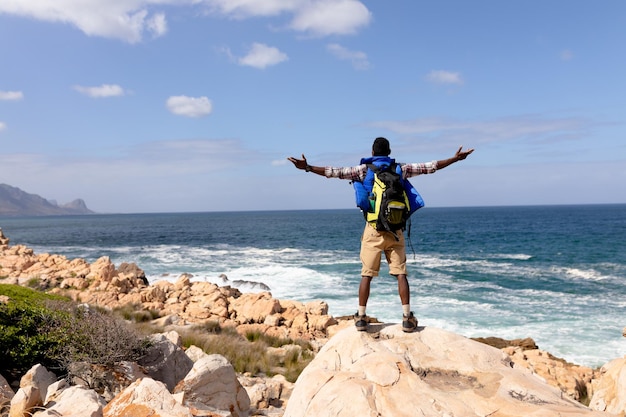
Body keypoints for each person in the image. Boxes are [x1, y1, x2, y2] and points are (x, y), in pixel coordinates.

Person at [288, 137, 473, 332]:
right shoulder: (401, 169)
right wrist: (455, 159)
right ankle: (407, 318)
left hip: (373, 230)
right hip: (396, 231)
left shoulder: (363, 170)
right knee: (401, 274)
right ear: (389, 152)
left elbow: (333, 172)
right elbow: (431, 167)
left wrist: (307, 167)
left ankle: (360, 317)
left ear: (372, 152)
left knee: (367, 275)